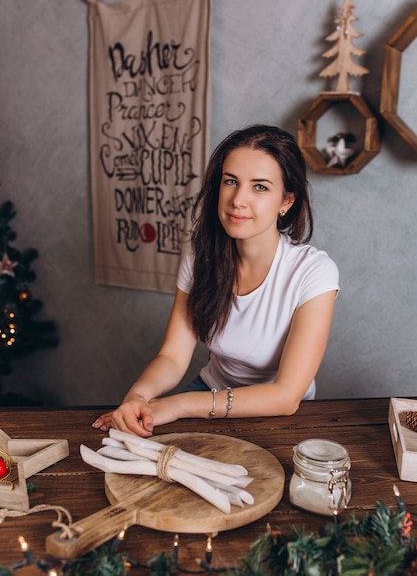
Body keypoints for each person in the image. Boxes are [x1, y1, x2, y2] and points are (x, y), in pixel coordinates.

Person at [93, 124, 339, 437]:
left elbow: (286, 396)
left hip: (275, 412)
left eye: (260, 187)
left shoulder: (314, 272)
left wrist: (181, 405)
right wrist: (137, 397)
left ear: (286, 201)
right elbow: (172, 355)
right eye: (231, 181)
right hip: (207, 391)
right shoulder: (199, 256)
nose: (238, 199)